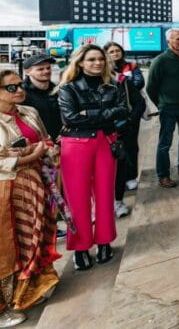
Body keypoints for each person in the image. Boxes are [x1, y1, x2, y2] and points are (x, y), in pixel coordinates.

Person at [58, 44, 129, 270]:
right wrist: (104, 116)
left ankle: (104, 241)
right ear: (80, 62)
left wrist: (87, 114)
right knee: (77, 199)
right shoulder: (68, 88)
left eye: (100, 59)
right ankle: (80, 247)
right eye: (91, 59)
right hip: (76, 145)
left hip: (105, 142)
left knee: (105, 195)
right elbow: (70, 118)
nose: (97, 63)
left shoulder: (113, 85)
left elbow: (123, 110)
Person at [0, 70, 60, 327]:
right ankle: (4, 307)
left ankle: (29, 291)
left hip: (35, 185)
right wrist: (28, 156)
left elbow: (44, 140)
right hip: (6, 192)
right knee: (7, 250)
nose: (19, 90)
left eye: (20, 85)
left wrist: (47, 149)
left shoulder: (29, 112)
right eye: (11, 88)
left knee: (34, 240)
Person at [146, 28, 179, 188]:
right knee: (165, 143)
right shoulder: (160, 60)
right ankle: (163, 175)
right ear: (169, 42)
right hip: (168, 108)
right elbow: (151, 87)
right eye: (177, 39)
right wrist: (161, 103)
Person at [104, 42, 146, 219]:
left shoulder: (124, 78)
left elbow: (139, 95)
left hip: (126, 123)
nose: (114, 54)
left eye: (116, 51)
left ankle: (120, 196)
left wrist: (128, 119)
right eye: (110, 52)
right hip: (102, 131)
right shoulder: (81, 84)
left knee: (127, 152)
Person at [20, 54, 61, 141]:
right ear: (27, 72)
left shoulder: (58, 90)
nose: (46, 71)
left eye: (48, 68)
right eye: (40, 69)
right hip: (35, 144)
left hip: (60, 141)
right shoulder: (21, 93)